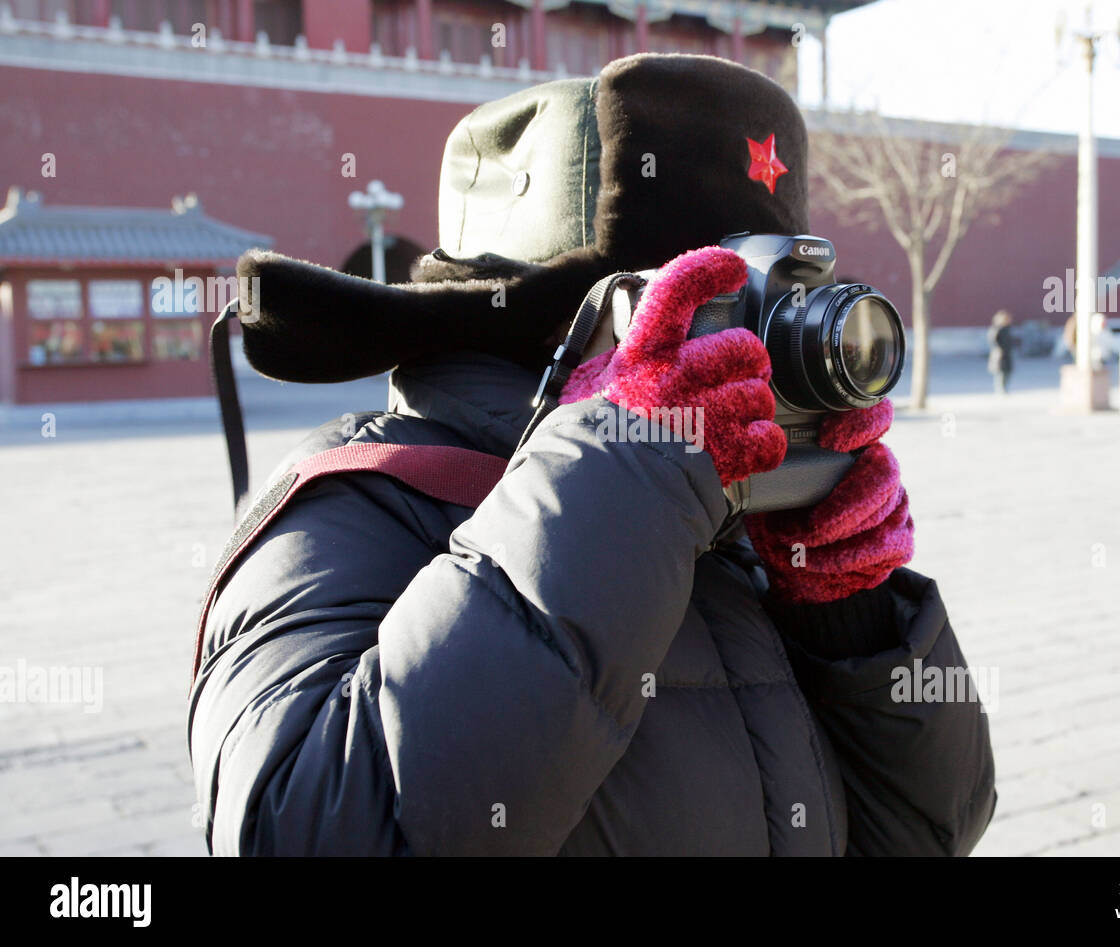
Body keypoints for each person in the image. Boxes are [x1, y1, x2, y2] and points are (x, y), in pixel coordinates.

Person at [188, 54, 995, 856]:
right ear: (587, 319)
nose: (751, 360)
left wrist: (848, 611)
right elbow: (302, 831)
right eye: (715, 314)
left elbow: (933, 831)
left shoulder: (742, 504)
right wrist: (624, 461)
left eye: (770, 313)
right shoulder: (355, 501)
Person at [988, 309, 1014, 394]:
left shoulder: (1007, 329)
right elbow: (993, 341)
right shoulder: (997, 329)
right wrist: (998, 350)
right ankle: (1000, 389)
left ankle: (1004, 388)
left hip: (1006, 353)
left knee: (1007, 372)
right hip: (1000, 354)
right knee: (1000, 372)